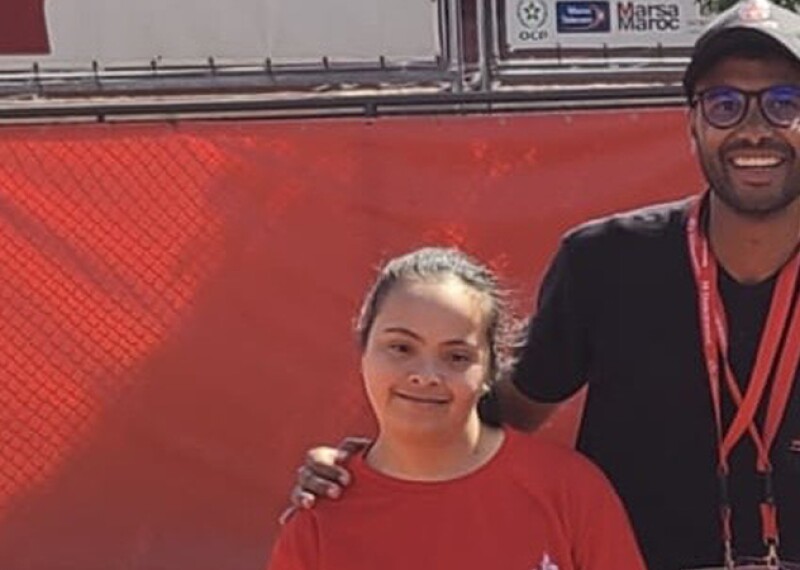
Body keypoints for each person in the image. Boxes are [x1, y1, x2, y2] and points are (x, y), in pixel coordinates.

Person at [290, 1, 800, 569]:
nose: (756, 128)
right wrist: (374, 465)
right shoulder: (606, 262)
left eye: (786, 103)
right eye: (725, 104)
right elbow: (501, 415)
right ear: (693, 126)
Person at [269, 247, 646, 570]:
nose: (425, 375)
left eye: (456, 356)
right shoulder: (321, 514)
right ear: (363, 348)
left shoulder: (568, 489)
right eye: (401, 348)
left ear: (490, 370)